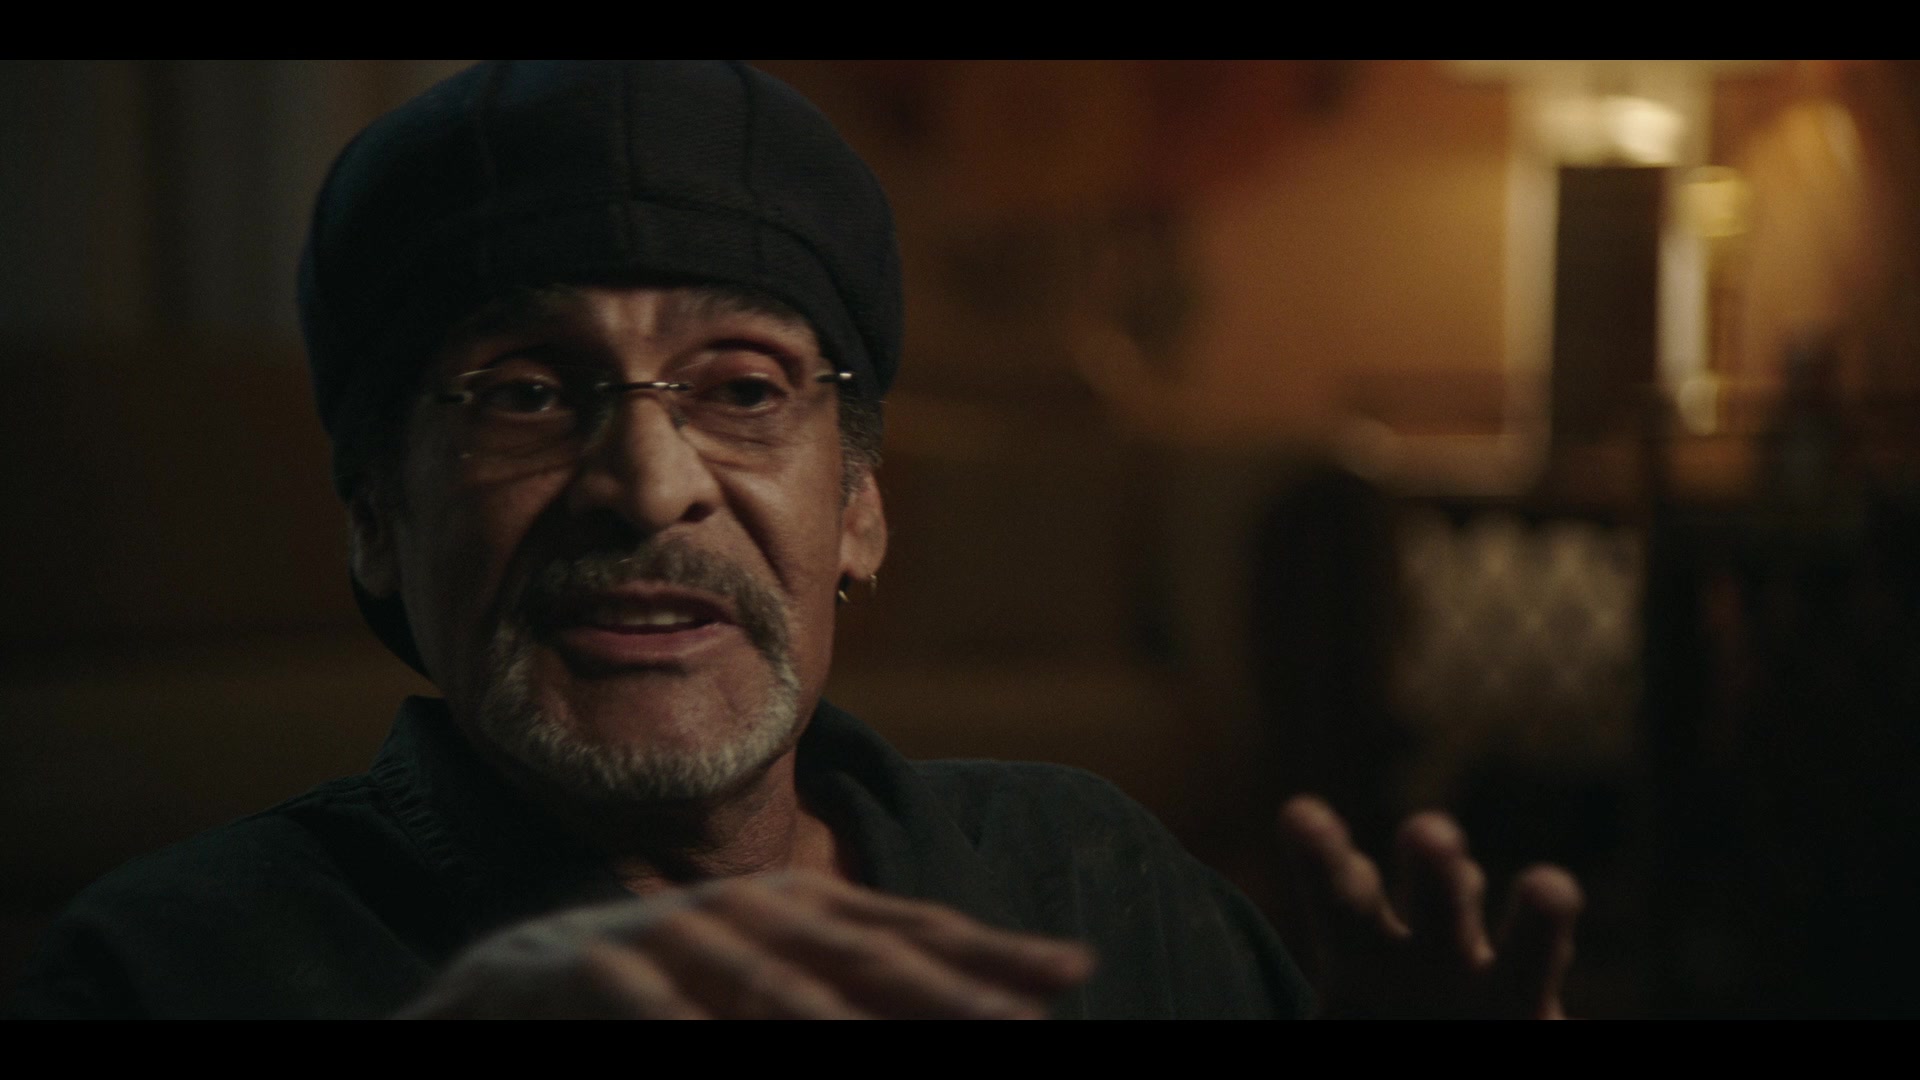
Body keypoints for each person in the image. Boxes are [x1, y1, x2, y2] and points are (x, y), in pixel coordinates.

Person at [9, 61, 1580, 1019]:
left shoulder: (1091, 879)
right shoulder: (167, 969)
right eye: (528, 393)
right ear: (375, 522)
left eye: (744, 388)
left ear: (861, 510)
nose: (647, 483)